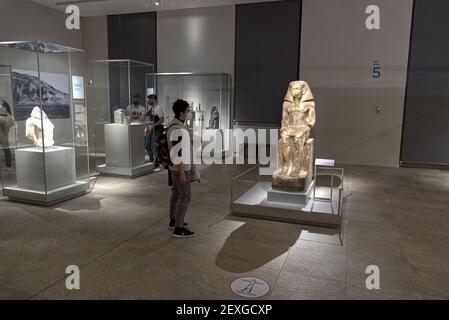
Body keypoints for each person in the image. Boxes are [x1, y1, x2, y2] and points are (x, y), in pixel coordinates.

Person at [167, 99, 195, 238]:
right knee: (185, 197)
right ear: (181, 112)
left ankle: (173, 220)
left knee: (176, 194)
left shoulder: (174, 124)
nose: (189, 113)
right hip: (180, 168)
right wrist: (182, 172)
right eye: (188, 111)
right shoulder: (177, 128)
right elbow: (177, 153)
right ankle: (178, 227)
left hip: (175, 168)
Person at [145, 94, 165, 167]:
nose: (148, 101)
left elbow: (162, 120)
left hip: (157, 129)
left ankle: (156, 161)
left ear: (154, 99)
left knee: (155, 145)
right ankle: (152, 160)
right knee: (147, 145)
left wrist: (153, 126)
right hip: (151, 128)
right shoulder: (151, 108)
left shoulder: (158, 108)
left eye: (149, 100)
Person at [0, 101, 15, 172]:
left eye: (2, 107)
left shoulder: (7, 117)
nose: (1, 108)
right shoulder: (9, 117)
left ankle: (8, 166)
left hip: (4, 138)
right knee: (7, 151)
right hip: (5, 137)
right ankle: (8, 166)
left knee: (7, 151)